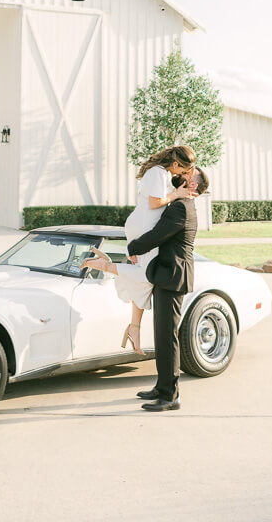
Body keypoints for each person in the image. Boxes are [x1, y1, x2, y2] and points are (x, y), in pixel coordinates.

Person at [85, 165, 208, 412]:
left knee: (167, 337)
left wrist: (131, 248)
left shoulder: (182, 208)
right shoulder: (178, 205)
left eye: (187, 176)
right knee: (161, 336)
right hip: (166, 275)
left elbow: (157, 235)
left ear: (192, 186)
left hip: (173, 277)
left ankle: (169, 396)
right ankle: (161, 386)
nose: (181, 176)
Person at [81, 145, 197, 354]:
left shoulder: (160, 173)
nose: (183, 174)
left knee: (144, 278)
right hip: (144, 225)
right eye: (184, 170)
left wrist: (174, 193)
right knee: (146, 276)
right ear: (175, 164)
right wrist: (177, 194)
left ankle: (134, 327)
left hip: (144, 224)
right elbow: (155, 203)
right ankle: (105, 265)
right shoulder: (158, 173)